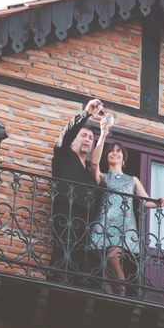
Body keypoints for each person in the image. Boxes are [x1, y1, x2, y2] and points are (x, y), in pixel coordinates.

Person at [89, 116, 164, 295]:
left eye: (118, 151)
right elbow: (94, 163)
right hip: (105, 223)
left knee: (112, 257)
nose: (114, 153)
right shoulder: (103, 177)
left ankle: (122, 291)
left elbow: (145, 201)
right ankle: (110, 296)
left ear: (123, 158)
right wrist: (102, 134)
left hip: (125, 225)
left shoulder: (132, 179)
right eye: (111, 151)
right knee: (103, 268)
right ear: (107, 156)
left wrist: (159, 203)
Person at [50, 98, 103, 281]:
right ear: (73, 141)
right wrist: (86, 113)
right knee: (63, 253)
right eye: (84, 135)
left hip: (86, 220)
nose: (88, 139)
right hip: (66, 212)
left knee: (82, 260)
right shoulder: (64, 155)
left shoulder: (90, 172)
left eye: (91, 138)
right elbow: (66, 134)